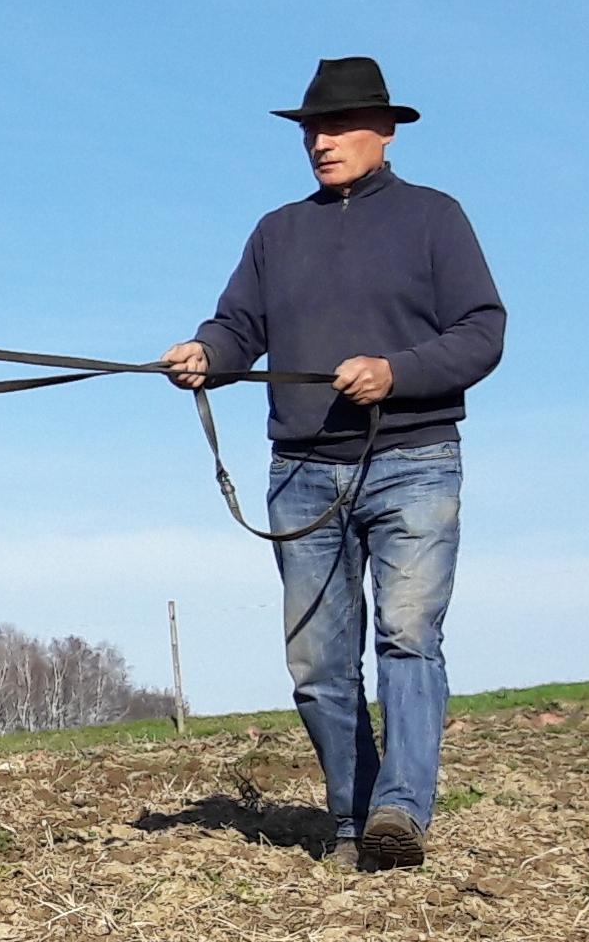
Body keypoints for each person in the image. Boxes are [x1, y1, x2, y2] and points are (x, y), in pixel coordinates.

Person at [164, 58, 504, 872]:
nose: (321, 141)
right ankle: (353, 823)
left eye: (339, 126)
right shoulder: (276, 232)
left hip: (414, 461)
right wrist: (205, 354)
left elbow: (482, 331)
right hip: (302, 471)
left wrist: (397, 371)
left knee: (407, 637)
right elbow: (237, 327)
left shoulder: (434, 219)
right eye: (311, 129)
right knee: (317, 662)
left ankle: (398, 813)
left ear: (384, 133)